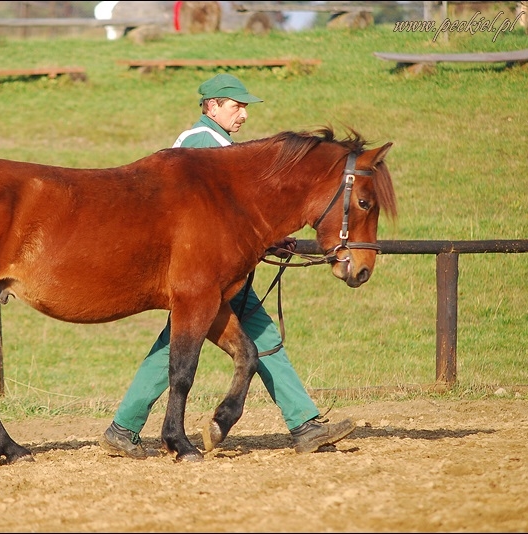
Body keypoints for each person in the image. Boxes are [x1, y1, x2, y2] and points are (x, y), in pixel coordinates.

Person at [99, 73, 356, 459]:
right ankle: (303, 424)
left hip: (218, 268)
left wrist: (267, 238)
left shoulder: (222, 145)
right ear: (211, 105)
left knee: (246, 337)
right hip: (205, 268)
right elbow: (212, 215)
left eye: (245, 107)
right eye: (236, 106)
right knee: (222, 337)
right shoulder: (203, 144)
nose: (244, 115)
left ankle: (304, 424)